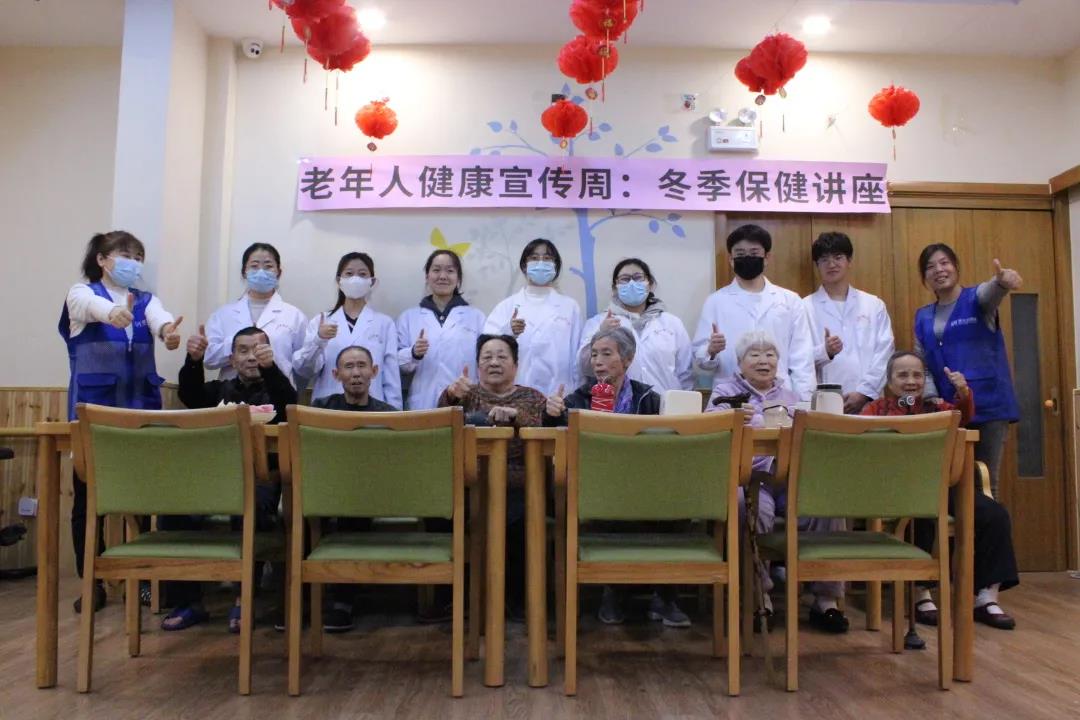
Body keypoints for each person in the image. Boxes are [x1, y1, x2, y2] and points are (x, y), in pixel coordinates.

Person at [61, 231, 183, 614]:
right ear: (102, 259)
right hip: (93, 419)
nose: (132, 262)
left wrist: (169, 332)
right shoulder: (81, 293)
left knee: (143, 502)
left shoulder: (146, 300)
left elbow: (161, 320)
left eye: (138, 256)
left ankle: (142, 581)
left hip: (140, 418)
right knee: (88, 505)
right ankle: (91, 583)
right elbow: (90, 307)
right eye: (124, 254)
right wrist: (111, 312)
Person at [544, 326, 693, 628]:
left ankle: (665, 597)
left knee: (678, 502)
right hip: (596, 487)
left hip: (645, 486)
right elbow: (553, 441)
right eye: (594, 354)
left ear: (627, 359)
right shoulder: (576, 400)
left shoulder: (650, 399)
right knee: (609, 505)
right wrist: (551, 414)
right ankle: (613, 592)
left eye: (606, 354)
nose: (598, 361)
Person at [862, 351, 1019, 630]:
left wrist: (963, 393)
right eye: (902, 375)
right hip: (895, 489)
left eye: (917, 375)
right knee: (921, 512)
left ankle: (986, 597)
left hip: (941, 486)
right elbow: (862, 441)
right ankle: (921, 593)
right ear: (889, 381)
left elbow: (963, 416)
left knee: (994, 514)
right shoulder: (876, 409)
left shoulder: (936, 408)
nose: (911, 381)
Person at [708, 331, 850, 634]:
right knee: (748, 506)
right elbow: (711, 432)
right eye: (755, 354)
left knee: (826, 502)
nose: (764, 361)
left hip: (787, 477)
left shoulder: (791, 396)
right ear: (740, 362)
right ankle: (759, 594)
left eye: (770, 354)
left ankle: (826, 598)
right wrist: (737, 418)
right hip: (749, 477)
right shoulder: (724, 392)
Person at [169, 326, 298, 631]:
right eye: (244, 350)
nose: (252, 356)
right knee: (174, 511)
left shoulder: (278, 389)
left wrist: (271, 368)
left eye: (259, 349)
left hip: (264, 477)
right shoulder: (219, 390)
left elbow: (288, 403)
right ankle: (188, 602)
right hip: (214, 478)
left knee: (252, 507)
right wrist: (193, 360)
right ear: (232, 359)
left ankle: (244, 597)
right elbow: (189, 394)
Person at [438, 334, 546, 619]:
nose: (494, 362)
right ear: (477, 365)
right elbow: (441, 426)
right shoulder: (465, 395)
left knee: (517, 513)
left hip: (518, 482)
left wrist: (514, 416)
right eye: (487, 357)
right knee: (443, 512)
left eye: (501, 357)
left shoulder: (532, 397)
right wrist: (450, 396)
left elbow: (537, 423)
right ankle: (455, 598)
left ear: (516, 365)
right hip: (468, 481)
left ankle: (515, 599)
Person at [913, 244, 1022, 499]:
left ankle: (986, 527)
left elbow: (991, 292)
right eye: (930, 267)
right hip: (948, 411)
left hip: (989, 406)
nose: (938, 270)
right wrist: (931, 398)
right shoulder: (922, 317)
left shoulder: (977, 300)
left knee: (984, 482)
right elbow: (922, 365)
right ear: (924, 277)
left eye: (944, 263)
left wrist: (1001, 282)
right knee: (950, 485)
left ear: (956, 267)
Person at [310, 345, 398, 632]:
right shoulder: (319, 409)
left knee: (354, 509)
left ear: (374, 371)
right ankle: (298, 600)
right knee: (299, 511)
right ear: (336, 374)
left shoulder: (388, 415)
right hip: (325, 488)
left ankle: (342, 602)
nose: (356, 373)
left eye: (362, 366)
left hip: (371, 492)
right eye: (349, 367)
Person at [692, 224, 816, 401]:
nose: (747, 258)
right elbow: (699, 358)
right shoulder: (715, 301)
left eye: (754, 253)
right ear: (731, 259)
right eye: (740, 254)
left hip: (780, 396)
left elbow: (802, 357)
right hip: (730, 395)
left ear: (766, 257)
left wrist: (804, 401)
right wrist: (711, 351)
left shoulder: (790, 300)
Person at [293, 252, 402, 408]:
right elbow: (303, 369)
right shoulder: (321, 321)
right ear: (339, 281)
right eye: (349, 274)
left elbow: (391, 378)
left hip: (372, 409)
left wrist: (395, 414)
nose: (355, 279)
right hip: (328, 407)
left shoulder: (384, 323)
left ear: (372, 282)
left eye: (362, 274)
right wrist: (318, 340)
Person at [802, 232, 894, 414]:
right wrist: (824, 351)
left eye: (838, 257)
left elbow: (885, 352)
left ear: (849, 260)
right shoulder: (804, 307)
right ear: (817, 265)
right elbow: (798, 358)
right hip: (824, 403)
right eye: (824, 259)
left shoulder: (873, 304)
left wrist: (864, 393)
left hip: (870, 401)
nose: (831, 264)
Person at [577, 258, 693, 393]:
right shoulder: (598, 323)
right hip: (619, 403)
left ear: (650, 284)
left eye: (638, 278)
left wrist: (684, 402)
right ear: (615, 288)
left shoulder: (671, 323)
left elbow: (685, 373)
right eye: (625, 279)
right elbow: (584, 367)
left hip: (666, 402)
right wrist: (601, 333)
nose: (631, 283)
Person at [484, 239, 582, 396]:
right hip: (514, 396)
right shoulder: (506, 307)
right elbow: (486, 348)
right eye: (534, 258)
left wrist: (575, 395)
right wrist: (508, 332)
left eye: (547, 258)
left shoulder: (570, 307)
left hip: (559, 395)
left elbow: (578, 358)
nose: (541, 263)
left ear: (555, 266)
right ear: (524, 265)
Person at [203, 242, 307, 386]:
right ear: (244, 272)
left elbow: (304, 368)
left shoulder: (294, 316)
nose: (261, 272)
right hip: (233, 393)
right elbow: (209, 360)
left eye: (268, 266)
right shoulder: (223, 315)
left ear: (279, 273)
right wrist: (237, 343)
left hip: (278, 392)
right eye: (254, 266)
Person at [397, 250, 485, 409]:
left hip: (464, 401)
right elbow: (396, 363)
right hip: (422, 404)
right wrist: (413, 353)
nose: (442, 276)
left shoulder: (476, 317)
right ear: (427, 276)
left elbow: (485, 361)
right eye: (436, 270)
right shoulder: (409, 317)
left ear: (458, 278)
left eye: (450, 271)